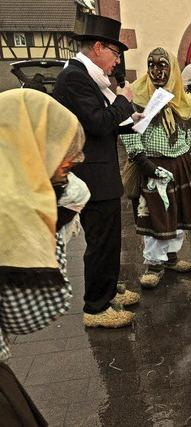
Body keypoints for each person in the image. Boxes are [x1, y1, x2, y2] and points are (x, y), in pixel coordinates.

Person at [0, 89, 85, 424]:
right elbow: (31, 313)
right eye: (63, 159)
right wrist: (55, 218)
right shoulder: (12, 207)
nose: (67, 168)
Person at [53, 14, 141, 328]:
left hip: (100, 173)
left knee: (109, 240)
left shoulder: (86, 76)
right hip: (91, 176)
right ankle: (96, 307)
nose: (116, 62)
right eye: (115, 54)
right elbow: (99, 122)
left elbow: (104, 126)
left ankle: (109, 289)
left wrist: (132, 122)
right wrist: (124, 101)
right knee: (101, 242)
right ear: (99, 47)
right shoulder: (75, 77)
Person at [121, 48, 191, 288]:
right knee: (155, 214)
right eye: (151, 65)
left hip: (180, 162)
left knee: (177, 213)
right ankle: (154, 263)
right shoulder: (137, 95)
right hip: (152, 162)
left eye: (162, 65)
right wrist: (141, 159)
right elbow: (128, 128)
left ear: (172, 69)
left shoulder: (182, 98)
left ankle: (171, 258)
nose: (156, 70)